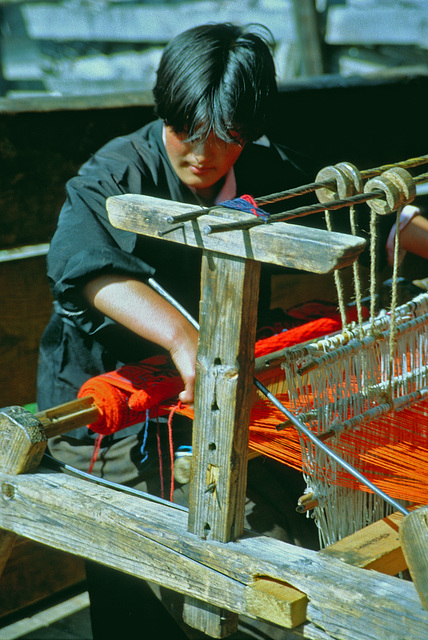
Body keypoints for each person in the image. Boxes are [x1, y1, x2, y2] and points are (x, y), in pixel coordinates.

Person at [37, 21, 428, 639]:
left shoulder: (267, 167)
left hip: (224, 396)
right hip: (110, 411)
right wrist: (185, 340)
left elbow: (366, 215)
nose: (203, 154)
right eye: (186, 132)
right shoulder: (113, 176)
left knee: (289, 544)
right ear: (165, 110)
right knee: (146, 571)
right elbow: (89, 274)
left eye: (226, 137)